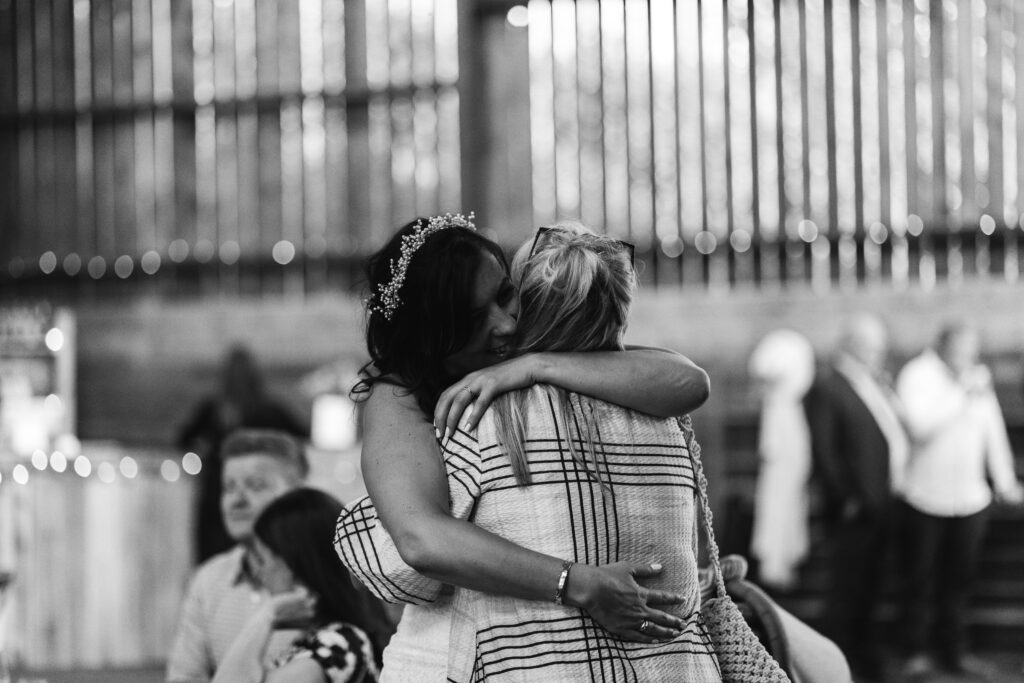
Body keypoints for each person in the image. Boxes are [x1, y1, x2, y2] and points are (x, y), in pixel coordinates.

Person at [335, 214, 712, 680]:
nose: (506, 324)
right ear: (430, 333)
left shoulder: (520, 360)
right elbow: (420, 539)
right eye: (473, 320)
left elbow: (688, 381)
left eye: (503, 295)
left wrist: (536, 365)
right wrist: (574, 582)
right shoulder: (396, 397)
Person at [896, 321, 1024, 678]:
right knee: (919, 579)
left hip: (970, 499)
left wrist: (1005, 481)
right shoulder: (917, 375)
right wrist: (959, 392)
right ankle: (915, 652)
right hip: (924, 498)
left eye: (972, 351)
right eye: (963, 351)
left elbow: (992, 430)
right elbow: (919, 428)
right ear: (943, 348)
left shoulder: (976, 377)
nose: (969, 358)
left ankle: (955, 652)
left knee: (960, 582)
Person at [802, 313, 908, 681]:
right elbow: (826, 452)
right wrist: (850, 499)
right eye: (875, 347)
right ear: (854, 346)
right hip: (855, 509)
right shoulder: (829, 386)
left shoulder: (866, 382)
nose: (881, 353)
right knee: (847, 593)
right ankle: (835, 667)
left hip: (879, 503)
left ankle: (863, 659)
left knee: (869, 589)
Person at [167, 429, 310, 682]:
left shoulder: (325, 575)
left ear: (296, 494)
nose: (237, 499)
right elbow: (184, 677)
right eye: (229, 487)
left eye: (256, 485)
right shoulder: (209, 579)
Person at [212, 488, 394, 683]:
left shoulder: (337, 645)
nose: (258, 572)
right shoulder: (335, 641)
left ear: (295, 566)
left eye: (261, 559)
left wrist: (266, 614)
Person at [177, 346, 310, 562]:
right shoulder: (268, 409)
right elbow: (303, 434)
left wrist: (206, 449)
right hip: (261, 489)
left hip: (217, 490)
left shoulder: (213, 409)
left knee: (215, 558)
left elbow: (183, 439)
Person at [747, 329, 815, 591]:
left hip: (790, 436)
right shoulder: (780, 401)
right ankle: (774, 562)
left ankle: (785, 556)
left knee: (788, 496)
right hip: (782, 439)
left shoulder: (787, 401)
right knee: (776, 498)